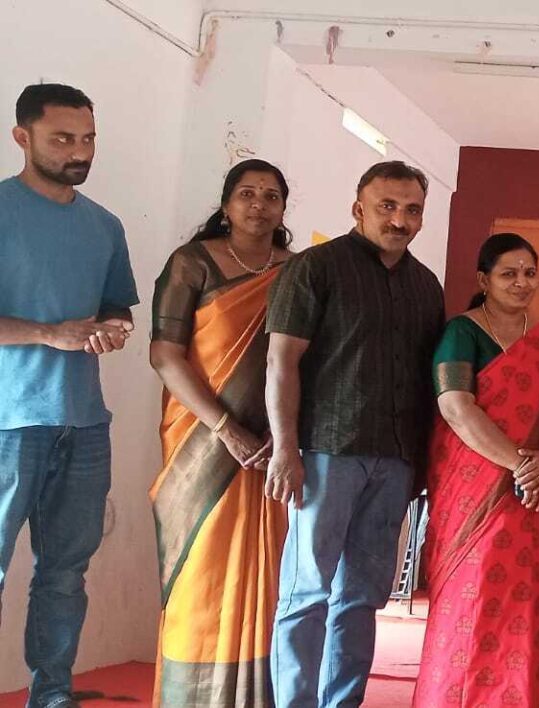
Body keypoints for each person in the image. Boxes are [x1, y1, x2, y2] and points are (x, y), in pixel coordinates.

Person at [264, 161, 445, 707]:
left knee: (364, 597)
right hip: (325, 453)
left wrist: (421, 463)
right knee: (307, 591)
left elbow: (426, 381)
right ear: (358, 208)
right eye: (387, 206)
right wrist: (285, 449)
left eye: (412, 210)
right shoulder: (315, 268)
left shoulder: (425, 285)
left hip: (394, 461)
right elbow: (280, 362)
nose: (399, 220)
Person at [0, 83, 137, 708]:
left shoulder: (104, 226)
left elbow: (116, 306)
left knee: (65, 574)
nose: (79, 151)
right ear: (22, 137)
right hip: (8, 422)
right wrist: (49, 333)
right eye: (62, 138)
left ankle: (51, 695)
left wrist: (113, 328)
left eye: (87, 138)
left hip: (84, 423)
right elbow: (53, 330)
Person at [148, 159, 295, 706]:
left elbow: (308, 358)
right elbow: (165, 355)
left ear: (283, 208)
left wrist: (286, 435)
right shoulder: (192, 263)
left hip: (272, 449)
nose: (259, 204)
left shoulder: (298, 271)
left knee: (267, 573)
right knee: (200, 570)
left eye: (272, 195)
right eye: (247, 193)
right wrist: (226, 428)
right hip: (202, 441)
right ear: (227, 204)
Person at [413, 233, 539, 706]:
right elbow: (455, 406)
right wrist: (521, 464)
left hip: (529, 489)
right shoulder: (462, 332)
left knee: (521, 594)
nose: (522, 282)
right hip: (475, 486)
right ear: (484, 280)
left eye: (529, 273)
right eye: (509, 273)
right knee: (470, 589)